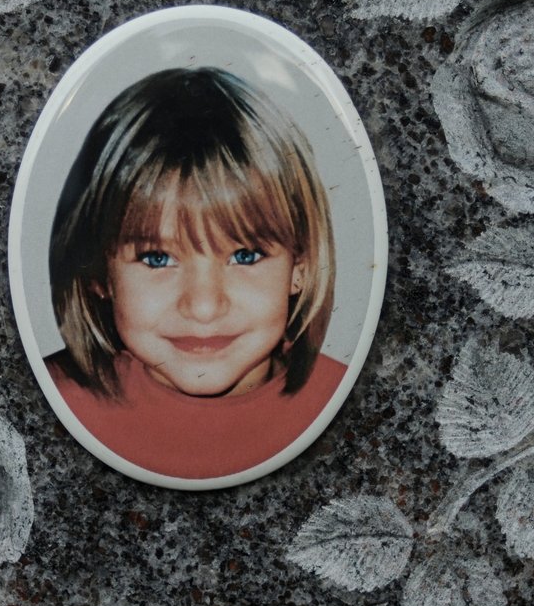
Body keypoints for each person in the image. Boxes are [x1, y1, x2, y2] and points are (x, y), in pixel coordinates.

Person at [45, 67, 344, 480]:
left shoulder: (345, 402)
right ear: (98, 272)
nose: (203, 308)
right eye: (156, 258)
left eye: (245, 256)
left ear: (301, 266)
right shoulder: (51, 403)